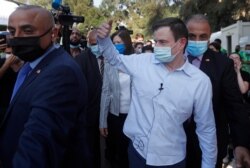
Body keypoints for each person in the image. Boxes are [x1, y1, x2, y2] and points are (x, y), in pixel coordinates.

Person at [97, 18, 217, 168]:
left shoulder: (200, 82)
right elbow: (115, 59)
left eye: (163, 42)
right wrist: (103, 39)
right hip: (137, 154)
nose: (157, 47)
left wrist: (209, 165)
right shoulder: (142, 62)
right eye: (156, 42)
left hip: (172, 160)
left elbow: (206, 128)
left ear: (181, 43)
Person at [0, 5, 88, 168]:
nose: (17, 37)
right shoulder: (31, 64)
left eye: (27, 31)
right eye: (12, 32)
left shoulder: (61, 73)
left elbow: (38, 146)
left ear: (53, 33)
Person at [185, 14, 250, 168]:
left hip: (211, 141)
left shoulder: (223, 64)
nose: (197, 40)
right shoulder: (173, 60)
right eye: (192, 36)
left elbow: (234, 105)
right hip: (173, 141)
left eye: (203, 36)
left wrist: (241, 143)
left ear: (209, 38)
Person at [99, 29, 134, 168]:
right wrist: (102, 122)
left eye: (119, 42)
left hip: (134, 116)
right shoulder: (110, 63)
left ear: (127, 42)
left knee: (129, 153)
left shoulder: (137, 61)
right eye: (114, 43)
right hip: (115, 116)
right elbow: (105, 92)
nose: (116, 45)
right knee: (116, 153)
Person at [73, 29, 103, 168]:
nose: (96, 46)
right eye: (93, 43)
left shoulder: (113, 58)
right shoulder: (81, 59)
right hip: (90, 114)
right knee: (91, 149)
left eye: (99, 43)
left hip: (111, 114)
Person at [0, 46, 23, 122]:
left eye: (13, 53)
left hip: (19, 106)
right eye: (8, 54)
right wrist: (6, 64)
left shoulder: (25, 63)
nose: (11, 57)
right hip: (3, 106)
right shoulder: (2, 61)